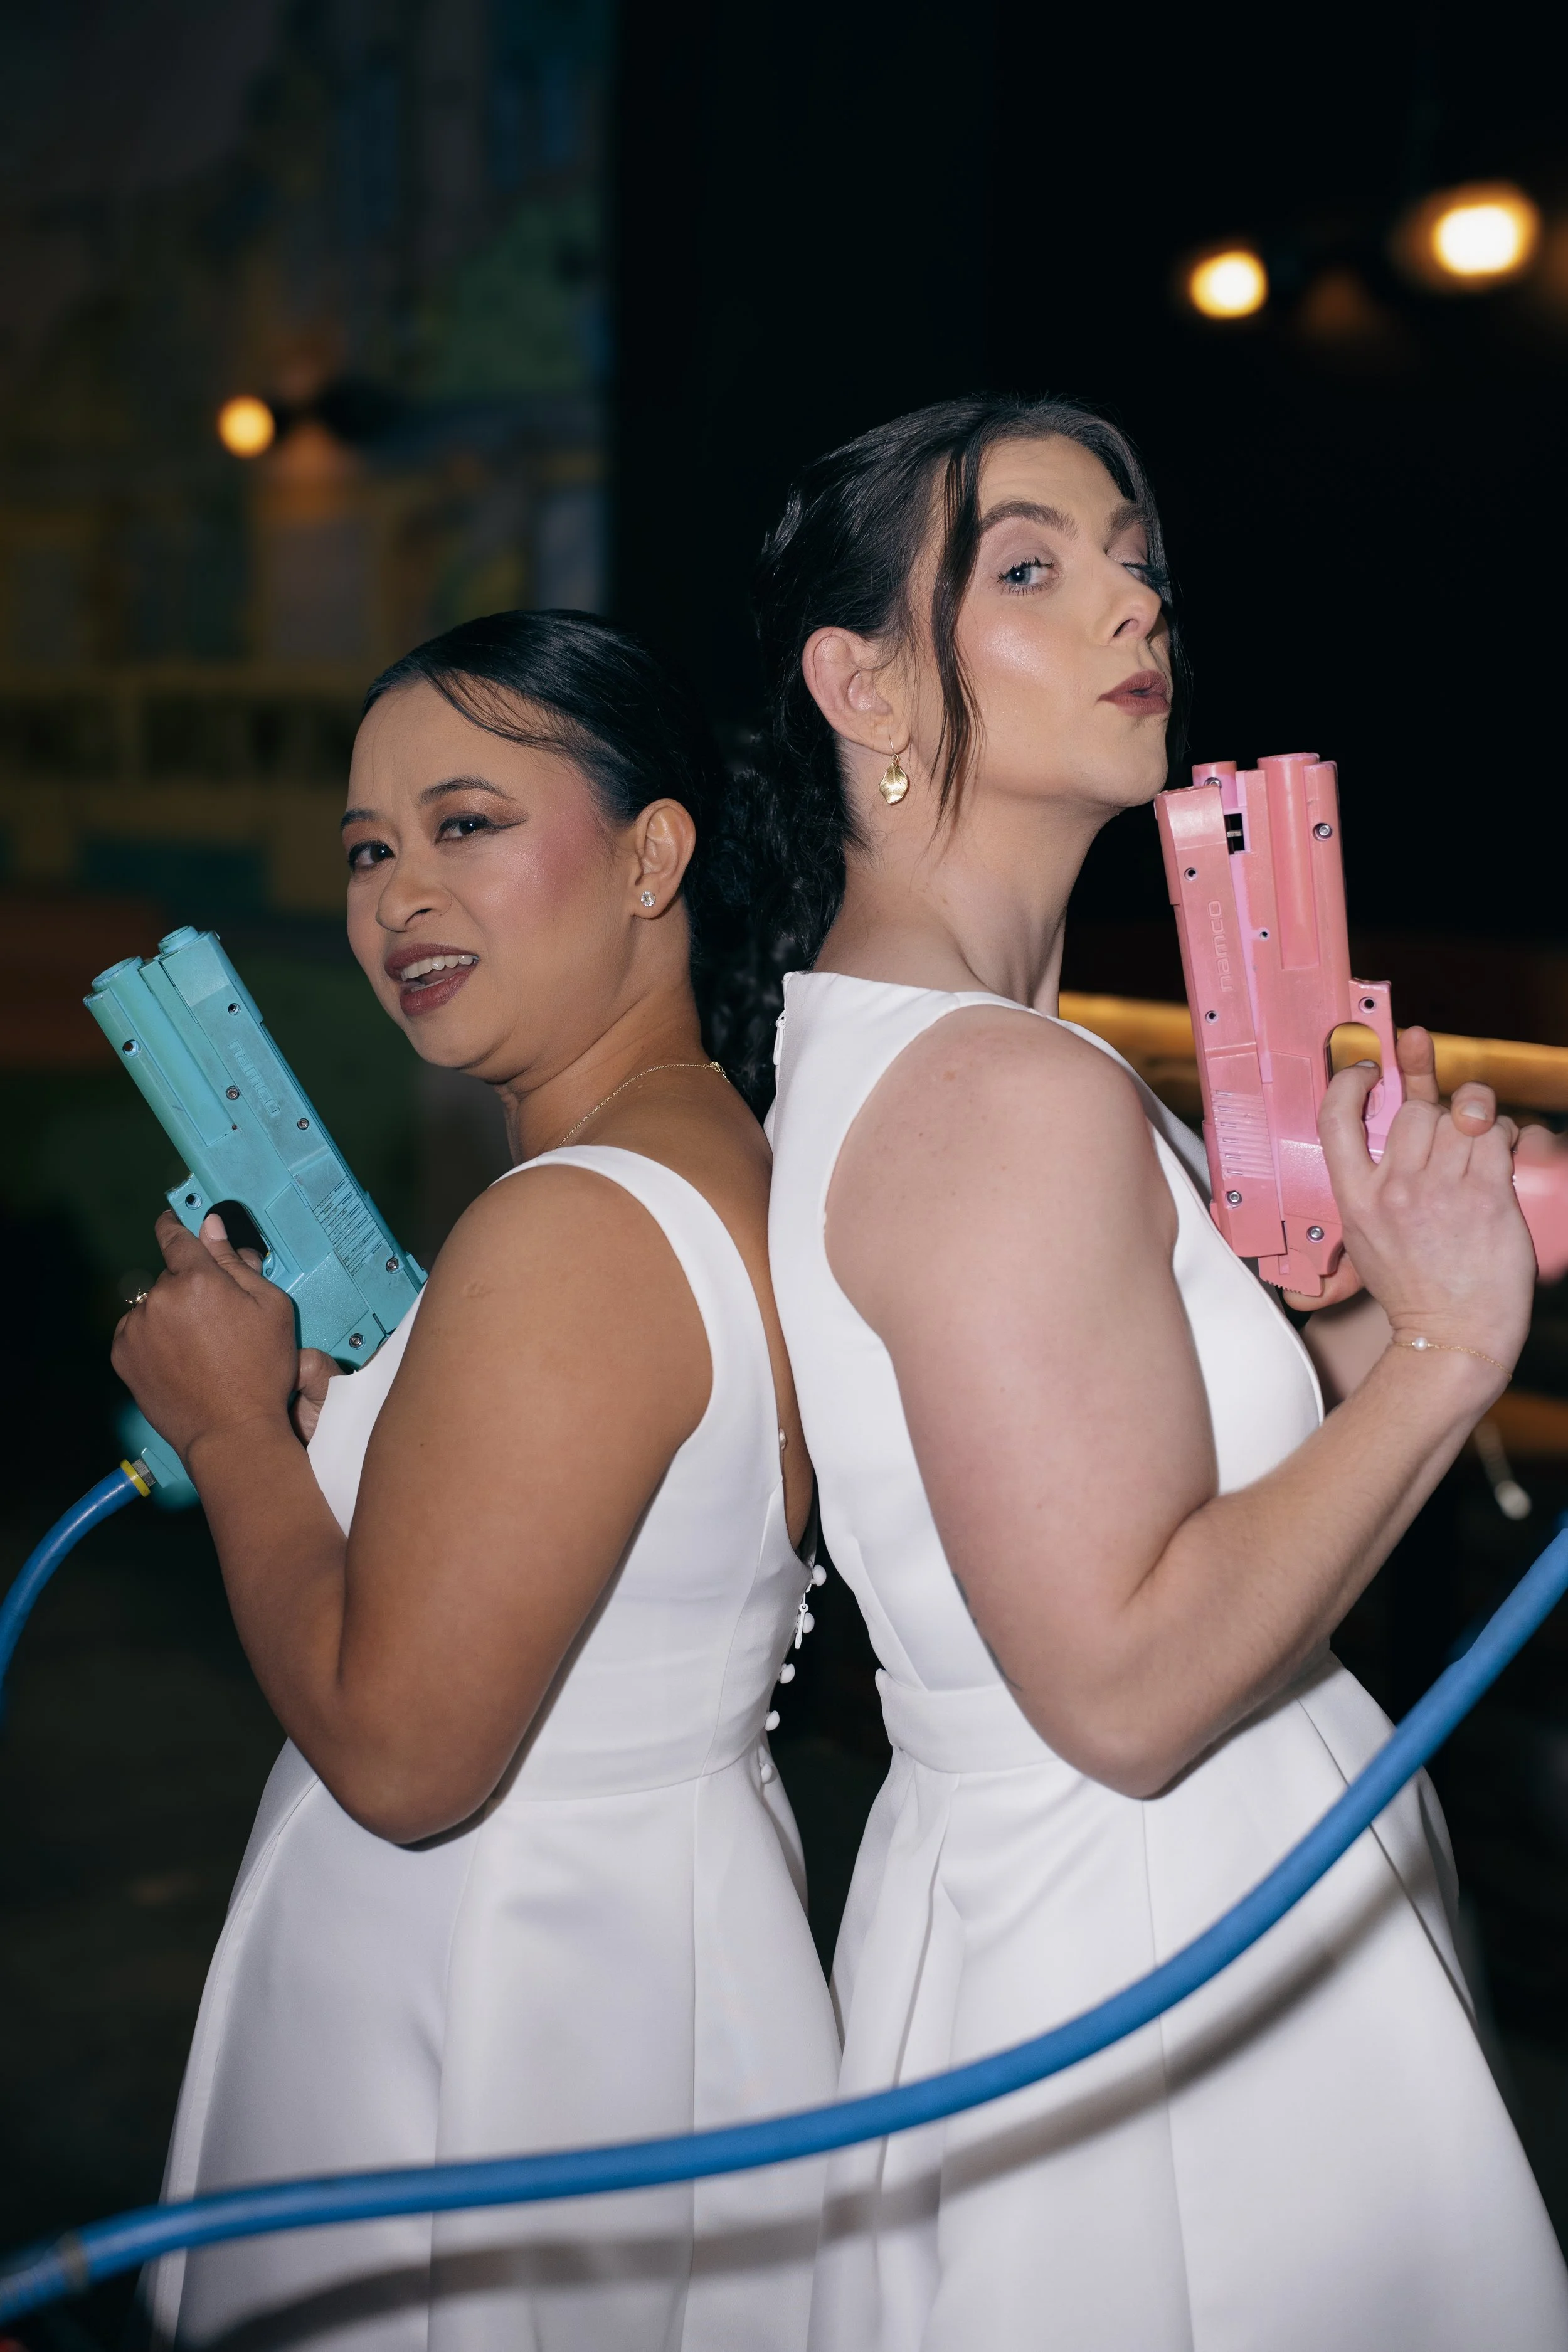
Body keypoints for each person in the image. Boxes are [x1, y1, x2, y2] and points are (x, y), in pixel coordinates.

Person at [749, 396, 1568, 2351]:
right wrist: (1446, 1358)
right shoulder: (996, 1090)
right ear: (859, 684)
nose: (1130, 600)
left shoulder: (962, 1051)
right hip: (1145, 1939)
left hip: (1122, 1900)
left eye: (1137, 561)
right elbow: (1119, 1682)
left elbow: (1210, 1488)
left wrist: (1399, 1283)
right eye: (1029, 565)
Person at [114, 610, 839, 2352]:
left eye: (466, 824)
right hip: (648, 1943)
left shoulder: (568, 1223)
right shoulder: (710, 1151)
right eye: (368, 848)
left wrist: (229, 1438)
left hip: (499, 1983)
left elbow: (404, 1750)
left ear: (653, 854)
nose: (397, 896)